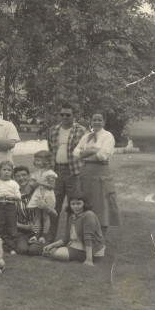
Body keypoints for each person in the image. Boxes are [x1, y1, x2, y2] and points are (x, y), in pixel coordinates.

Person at [73, 112, 120, 233]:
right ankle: (85, 237)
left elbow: (102, 155)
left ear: (104, 122)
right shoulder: (86, 136)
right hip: (86, 175)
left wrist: (85, 154)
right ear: (91, 121)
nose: (97, 122)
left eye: (100, 120)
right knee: (85, 204)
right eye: (94, 120)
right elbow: (75, 152)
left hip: (101, 175)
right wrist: (92, 150)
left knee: (101, 207)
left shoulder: (108, 136)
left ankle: (99, 241)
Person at [46, 102, 87, 240]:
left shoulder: (81, 130)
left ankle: (69, 239)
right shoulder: (53, 130)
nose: (64, 117)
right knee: (54, 206)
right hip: (56, 172)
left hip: (73, 173)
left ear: (74, 115)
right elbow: (50, 151)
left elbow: (85, 152)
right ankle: (50, 238)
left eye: (68, 114)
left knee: (73, 207)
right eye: (62, 114)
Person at [43, 196, 105, 265]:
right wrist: (51, 245)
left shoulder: (88, 215)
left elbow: (88, 238)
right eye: (73, 204)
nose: (75, 206)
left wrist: (89, 260)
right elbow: (66, 239)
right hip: (76, 245)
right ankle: (68, 253)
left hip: (91, 249)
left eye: (79, 203)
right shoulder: (72, 217)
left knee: (57, 254)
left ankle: (87, 257)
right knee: (51, 251)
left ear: (84, 204)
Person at [0, 160, 21, 251]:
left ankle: (11, 247)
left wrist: (12, 197)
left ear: (12, 172)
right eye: (4, 169)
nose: (6, 172)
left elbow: (18, 197)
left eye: (9, 170)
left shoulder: (14, 183)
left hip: (10, 207)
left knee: (11, 225)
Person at [11, 166, 43, 256]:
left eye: (24, 175)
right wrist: (27, 227)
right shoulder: (13, 195)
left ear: (29, 176)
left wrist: (36, 228)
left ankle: (39, 243)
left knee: (34, 251)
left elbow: (41, 215)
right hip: (22, 230)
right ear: (14, 178)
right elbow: (11, 220)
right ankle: (21, 243)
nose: (21, 178)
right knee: (22, 250)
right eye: (18, 176)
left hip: (38, 229)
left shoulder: (36, 191)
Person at [27, 151, 58, 244]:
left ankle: (44, 236)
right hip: (38, 194)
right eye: (35, 160)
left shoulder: (50, 173)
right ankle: (36, 235)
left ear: (46, 161)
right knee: (37, 216)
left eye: (39, 160)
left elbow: (52, 186)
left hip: (47, 195)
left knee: (45, 216)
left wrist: (39, 182)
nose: (36, 162)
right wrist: (32, 183)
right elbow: (32, 184)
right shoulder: (36, 173)